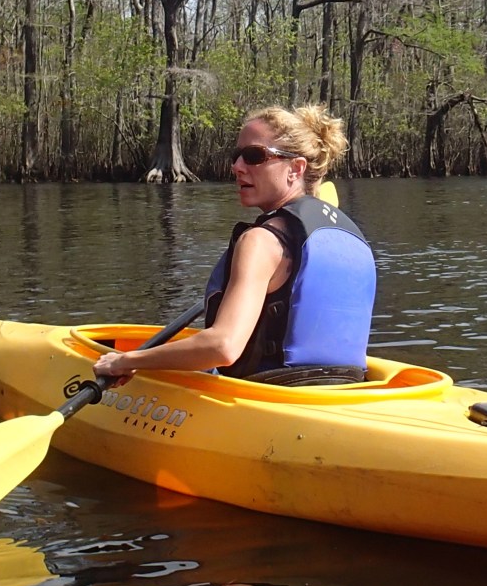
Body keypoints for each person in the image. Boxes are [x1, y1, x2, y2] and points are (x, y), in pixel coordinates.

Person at [93, 104, 376, 385]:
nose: (237, 167)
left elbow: (222, 347)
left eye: (254, 156)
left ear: (296, 168)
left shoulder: (261, 241)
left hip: (271, 394)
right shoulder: (353, 238)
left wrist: (126, 361)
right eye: (237, 155)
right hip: (346, 389)